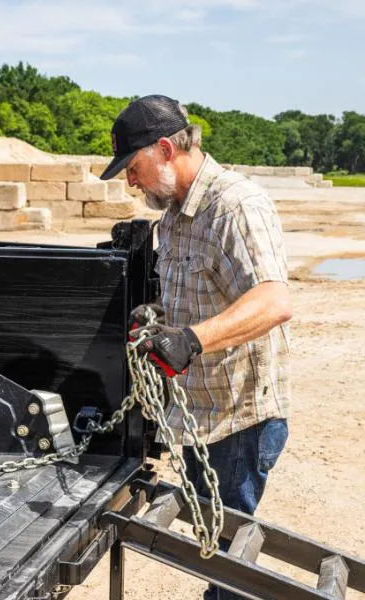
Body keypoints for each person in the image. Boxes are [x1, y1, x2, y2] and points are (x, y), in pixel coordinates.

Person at [101, 95, 291, 600]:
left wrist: (192, 340)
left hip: (239, 417)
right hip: (200, 413)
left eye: (134, 167)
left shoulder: (235, 206)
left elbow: (273, 300)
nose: (130, 181)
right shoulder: (174, 218)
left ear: (165, 149)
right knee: (214, 551)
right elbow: (190, 297)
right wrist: (156, 318)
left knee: (231, 565)